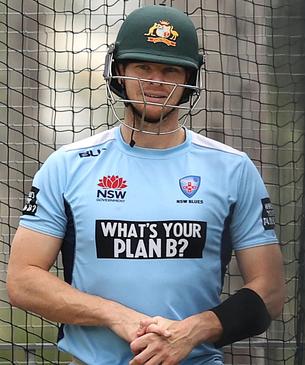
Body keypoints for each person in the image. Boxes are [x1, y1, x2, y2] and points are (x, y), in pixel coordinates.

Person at [7, 5, 285, 365]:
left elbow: (271, 291)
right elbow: (22, 280)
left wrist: (191, 331)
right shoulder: (67, 165)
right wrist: (117, 316)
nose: (156, 81)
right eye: (143, 67)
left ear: (190, 78)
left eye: (170, 70)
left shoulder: (233, 168)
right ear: (118, 71)